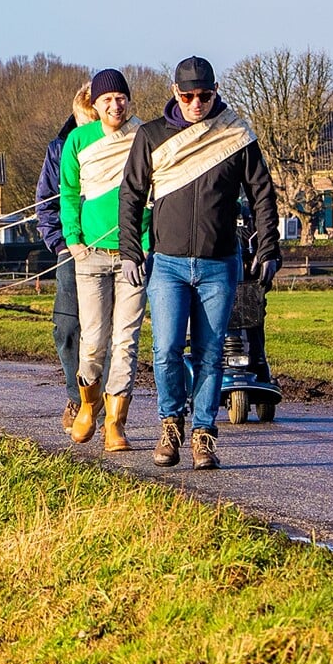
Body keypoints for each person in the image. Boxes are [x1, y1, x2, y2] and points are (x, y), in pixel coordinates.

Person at [120, 56, 281, 471]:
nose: (196, 104)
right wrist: (129, 252)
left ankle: (204, 436)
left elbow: (262, 193)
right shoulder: (152, 136)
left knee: (211, 355)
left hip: (218, 264)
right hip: (168, 263)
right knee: (167, 349)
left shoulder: (234, 135)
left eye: (204, 96)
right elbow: (132, 194)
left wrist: (268, 247)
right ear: (175, 93)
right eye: (188, 96)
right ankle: (171, 425)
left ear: (215, 92)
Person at [61, 69, 147, 451]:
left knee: (126, 340)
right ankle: (88, 404)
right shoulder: (78, 140)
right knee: (94, 339)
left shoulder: (144, 136)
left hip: (133, 255)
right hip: (91, 257)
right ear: (95, 105)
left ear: (129, 100)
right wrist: (74, 240)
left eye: (121, 97)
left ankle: (116, 422)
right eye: (107, 99)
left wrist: (144, 242)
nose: (116, 105)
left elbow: (155, 191)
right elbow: (68, 193)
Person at [35, 84, 94, 434]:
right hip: (70, 252)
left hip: (111, 248)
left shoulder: (120, 145)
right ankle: (77, 396)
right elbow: (45, 203)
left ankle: (108, 404)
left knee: (110, 331)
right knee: (67, 326)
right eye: (84, 122)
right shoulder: (58, 150)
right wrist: (59, 244)